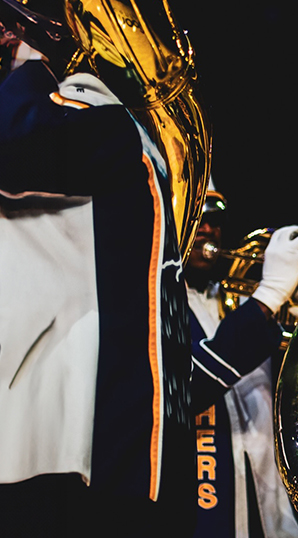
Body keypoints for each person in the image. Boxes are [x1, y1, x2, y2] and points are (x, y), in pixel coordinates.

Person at [0, 53, 198, 537]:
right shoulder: (124, 125)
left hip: (64, 458)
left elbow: (12, 141)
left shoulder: (86, 104)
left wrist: (28, 62)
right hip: (119, 460)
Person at [185, 182, 298, 538]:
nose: (208, 227)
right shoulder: (151, 304)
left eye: (214, 217)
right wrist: (271, 294)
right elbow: (188, 389)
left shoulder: (234, 300)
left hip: (275, 515)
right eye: (195, 214)